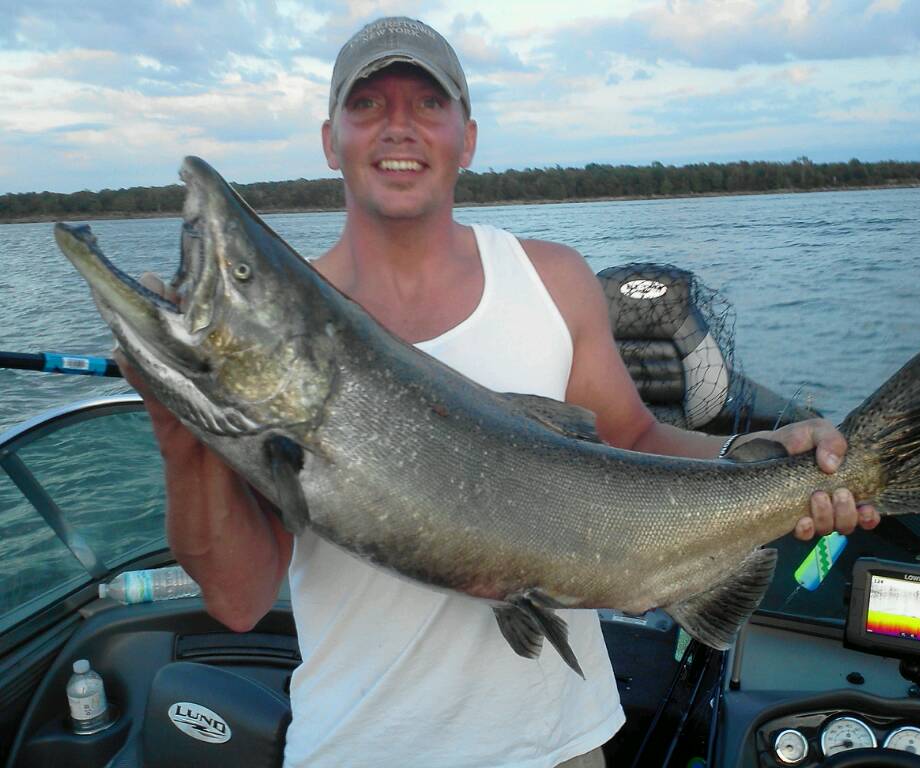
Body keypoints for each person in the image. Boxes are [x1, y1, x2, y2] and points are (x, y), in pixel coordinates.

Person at [121, 16, 880, 768]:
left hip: (561, 745)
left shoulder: (553, 281)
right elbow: (239, 599)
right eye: (367, 104)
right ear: (330, 139)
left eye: (428, 103)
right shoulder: (288, 342)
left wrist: (767, 458)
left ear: (469, 138)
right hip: (356, 747)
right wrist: (180, 432)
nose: (399, 127)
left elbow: (635, 441)